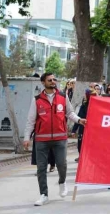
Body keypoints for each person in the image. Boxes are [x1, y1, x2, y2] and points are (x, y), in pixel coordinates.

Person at [23, 73, 87, 206]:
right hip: (41, 139)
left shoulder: (62, 97)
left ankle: (62, 182)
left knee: (61, 164)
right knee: (41, 168)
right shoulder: (37, 100)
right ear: (43, 83)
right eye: (49, 80)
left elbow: (69, 113)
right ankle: (44, 195)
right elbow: (30, 120)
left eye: (54, 79)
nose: (53, 82)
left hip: (60, 138)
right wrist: (26, 137)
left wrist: (79, 120)